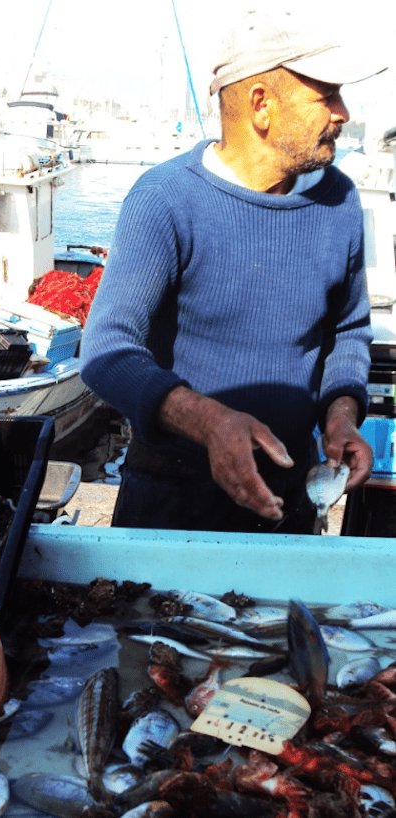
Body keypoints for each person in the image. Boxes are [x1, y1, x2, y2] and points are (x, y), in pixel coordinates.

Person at [80, 9, 388, 535]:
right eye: (326, 95)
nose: (342, 112)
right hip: (170, 507)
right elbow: (107, 349)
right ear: (260, 105)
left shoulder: (340, 202)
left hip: (290, 503)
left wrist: (341, 416)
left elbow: (348, 331)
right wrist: (210, 422)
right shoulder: (166, 200)